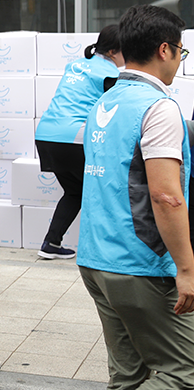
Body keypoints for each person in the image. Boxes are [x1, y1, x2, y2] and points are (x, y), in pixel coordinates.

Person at [77, 4, 194, 389]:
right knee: (184, 373)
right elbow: (165, 196)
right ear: (165, 50)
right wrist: (187, 269)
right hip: (139, 265)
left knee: (128, 376)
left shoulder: (105, 102)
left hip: (96, 259)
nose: (179, 60)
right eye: (180, 51)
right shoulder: (158, 108)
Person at [34, 25, 123, 259]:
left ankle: (51, 243)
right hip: (73, 137)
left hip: (46, 135)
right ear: (113, 51)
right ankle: (104, 251)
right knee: (101, 191)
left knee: (75, 191)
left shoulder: (75, 65)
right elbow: (115, 112)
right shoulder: (110, 73)